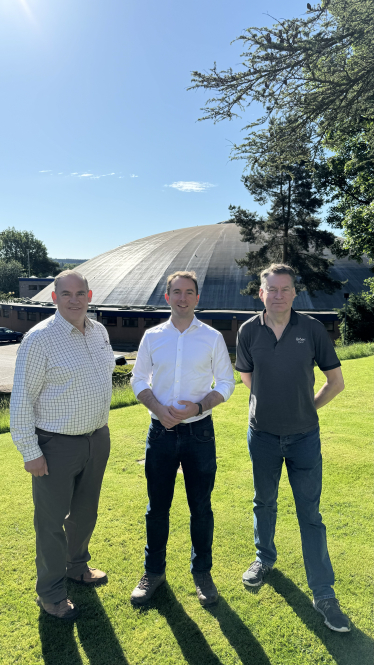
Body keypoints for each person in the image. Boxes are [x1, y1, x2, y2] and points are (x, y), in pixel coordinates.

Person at [236, 263, 351, 633]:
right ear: (261, 292)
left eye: (285, 289)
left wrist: (307, 406)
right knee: (263, 501)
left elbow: (336, 382)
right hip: (263, 435)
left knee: (310, 514)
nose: (279, 295)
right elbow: (247, 376)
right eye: (272, 289)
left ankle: (323, 593)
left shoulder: (312, 329)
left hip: (304, 437)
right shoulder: (248, 330)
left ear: (294, 293)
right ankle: (264, 558)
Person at [10, 270, 115, 620]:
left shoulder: (99, 331)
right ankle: (51, 593)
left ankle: (76, 566)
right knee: (51, 522)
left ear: (89, 294)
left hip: (97, 438)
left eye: (80, 293)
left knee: (85, 513)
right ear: (54, 298)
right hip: (55, 445)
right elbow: (22, 399)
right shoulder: (39, 339)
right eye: (66, 294)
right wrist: (31, 451)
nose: (74, 299)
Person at [130, 270, 235, 606]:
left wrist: (200, 406)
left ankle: (202, 572)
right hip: (160, 433)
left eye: (189, 292)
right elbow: (137, 381)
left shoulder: (212, 337)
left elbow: (227, 383)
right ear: (167, 297)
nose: (183, 298)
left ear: (197, 298)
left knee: (201, 508)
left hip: (200, 434)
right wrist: (159, 410)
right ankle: (154, 572)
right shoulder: (152, 336)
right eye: (177, 292)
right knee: (156, 508)